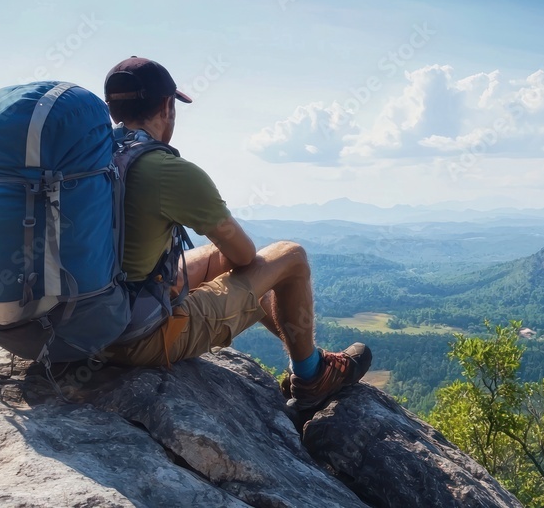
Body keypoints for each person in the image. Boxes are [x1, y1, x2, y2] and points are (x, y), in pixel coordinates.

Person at [99, 56, 370, 411]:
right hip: (135, 340)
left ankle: (309, 358)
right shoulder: (167, 170)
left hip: (81, 325)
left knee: (216, 257)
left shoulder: (88, 161)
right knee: (290, 256)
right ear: (167, 106)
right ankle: (312, 375)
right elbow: (244, 256)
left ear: (111, 108)